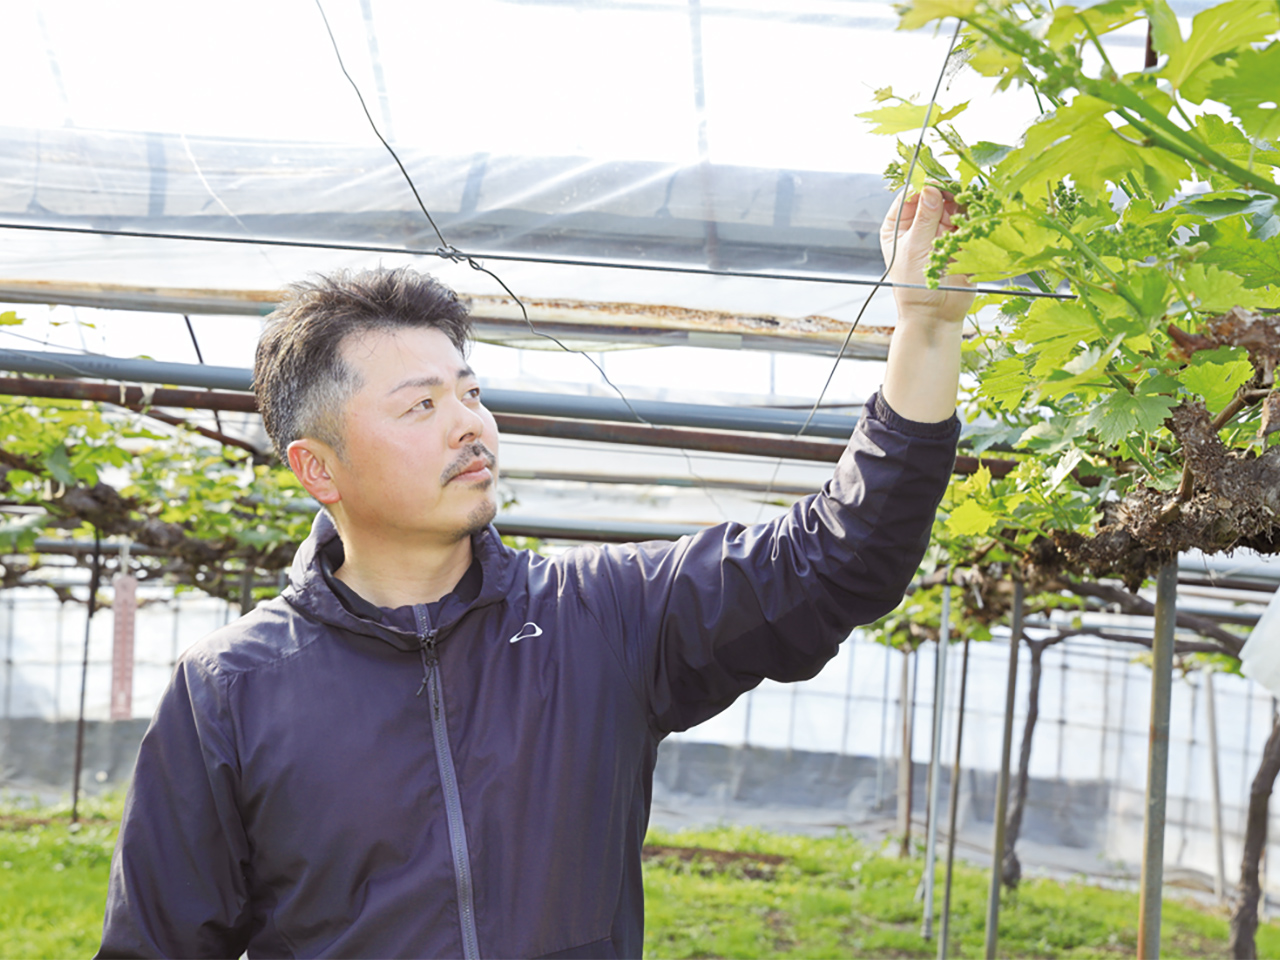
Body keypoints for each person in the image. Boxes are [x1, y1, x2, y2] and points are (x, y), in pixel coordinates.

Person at [98, 185, 973, 959]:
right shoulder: (228, 691)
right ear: (318, 468)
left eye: (470, 393)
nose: (468, 425)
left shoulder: (603, 617)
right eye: (421, 406)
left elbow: (839, 557)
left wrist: (926, 329)